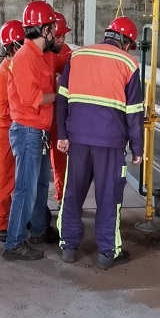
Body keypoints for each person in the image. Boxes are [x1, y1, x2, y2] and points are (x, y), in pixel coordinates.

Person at [57, 16, 144, 268]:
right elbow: (134, 111)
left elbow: (62, 99)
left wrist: (63, 134)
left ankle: (68, 246)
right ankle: (107, 252)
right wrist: (137, 148)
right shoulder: (128, 62)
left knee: (73, 193)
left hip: (78, 139)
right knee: (109, 197)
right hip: (111, 143)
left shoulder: (77, 55)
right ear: (126, 42)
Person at [3, 0, 58, 261]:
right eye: (53, 28)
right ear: (44, 29)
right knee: (26, 189)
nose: (55, 33)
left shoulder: (42, 55)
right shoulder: (25, 57)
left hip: (39, 131)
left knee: (40, 185)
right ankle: (14, 243)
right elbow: (31, 97)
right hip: (28, 131)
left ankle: (38, 230)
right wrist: (58, 95)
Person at [0, 20, 24, 242]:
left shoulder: (16, 70)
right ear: (13, 46)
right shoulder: (1, 74)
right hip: (3, 134)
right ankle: (0, 223)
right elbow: (2, 111)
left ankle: (12, 217)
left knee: (14, 180)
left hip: (15, 130)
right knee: (2, 180)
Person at [50, 11, 72, 205]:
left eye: (63, 35)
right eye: (58, 35)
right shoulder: (36, 53)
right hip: (37, 114)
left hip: (59, 112)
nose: (61, 39)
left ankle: (61, 196)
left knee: (60, 158)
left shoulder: (66, 52)